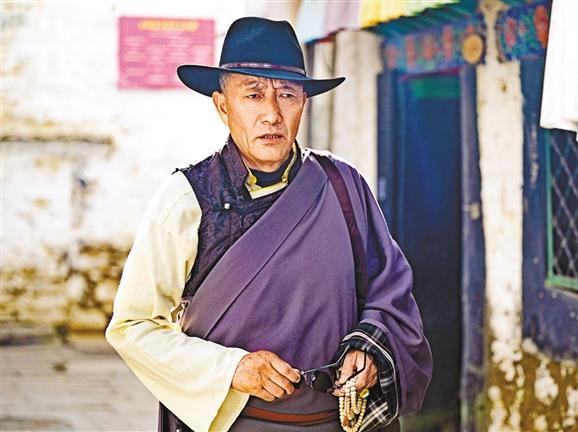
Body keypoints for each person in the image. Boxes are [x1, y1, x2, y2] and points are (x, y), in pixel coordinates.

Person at [105, 17, 432, 432]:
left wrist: (370, 347)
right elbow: (133, 325)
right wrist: (232, 368)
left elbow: (391, 292)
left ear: (303, 104)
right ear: (223, 106)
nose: (272, 114)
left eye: (287, 95)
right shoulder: (186, 199)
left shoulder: (343, 185)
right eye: (253, 95)